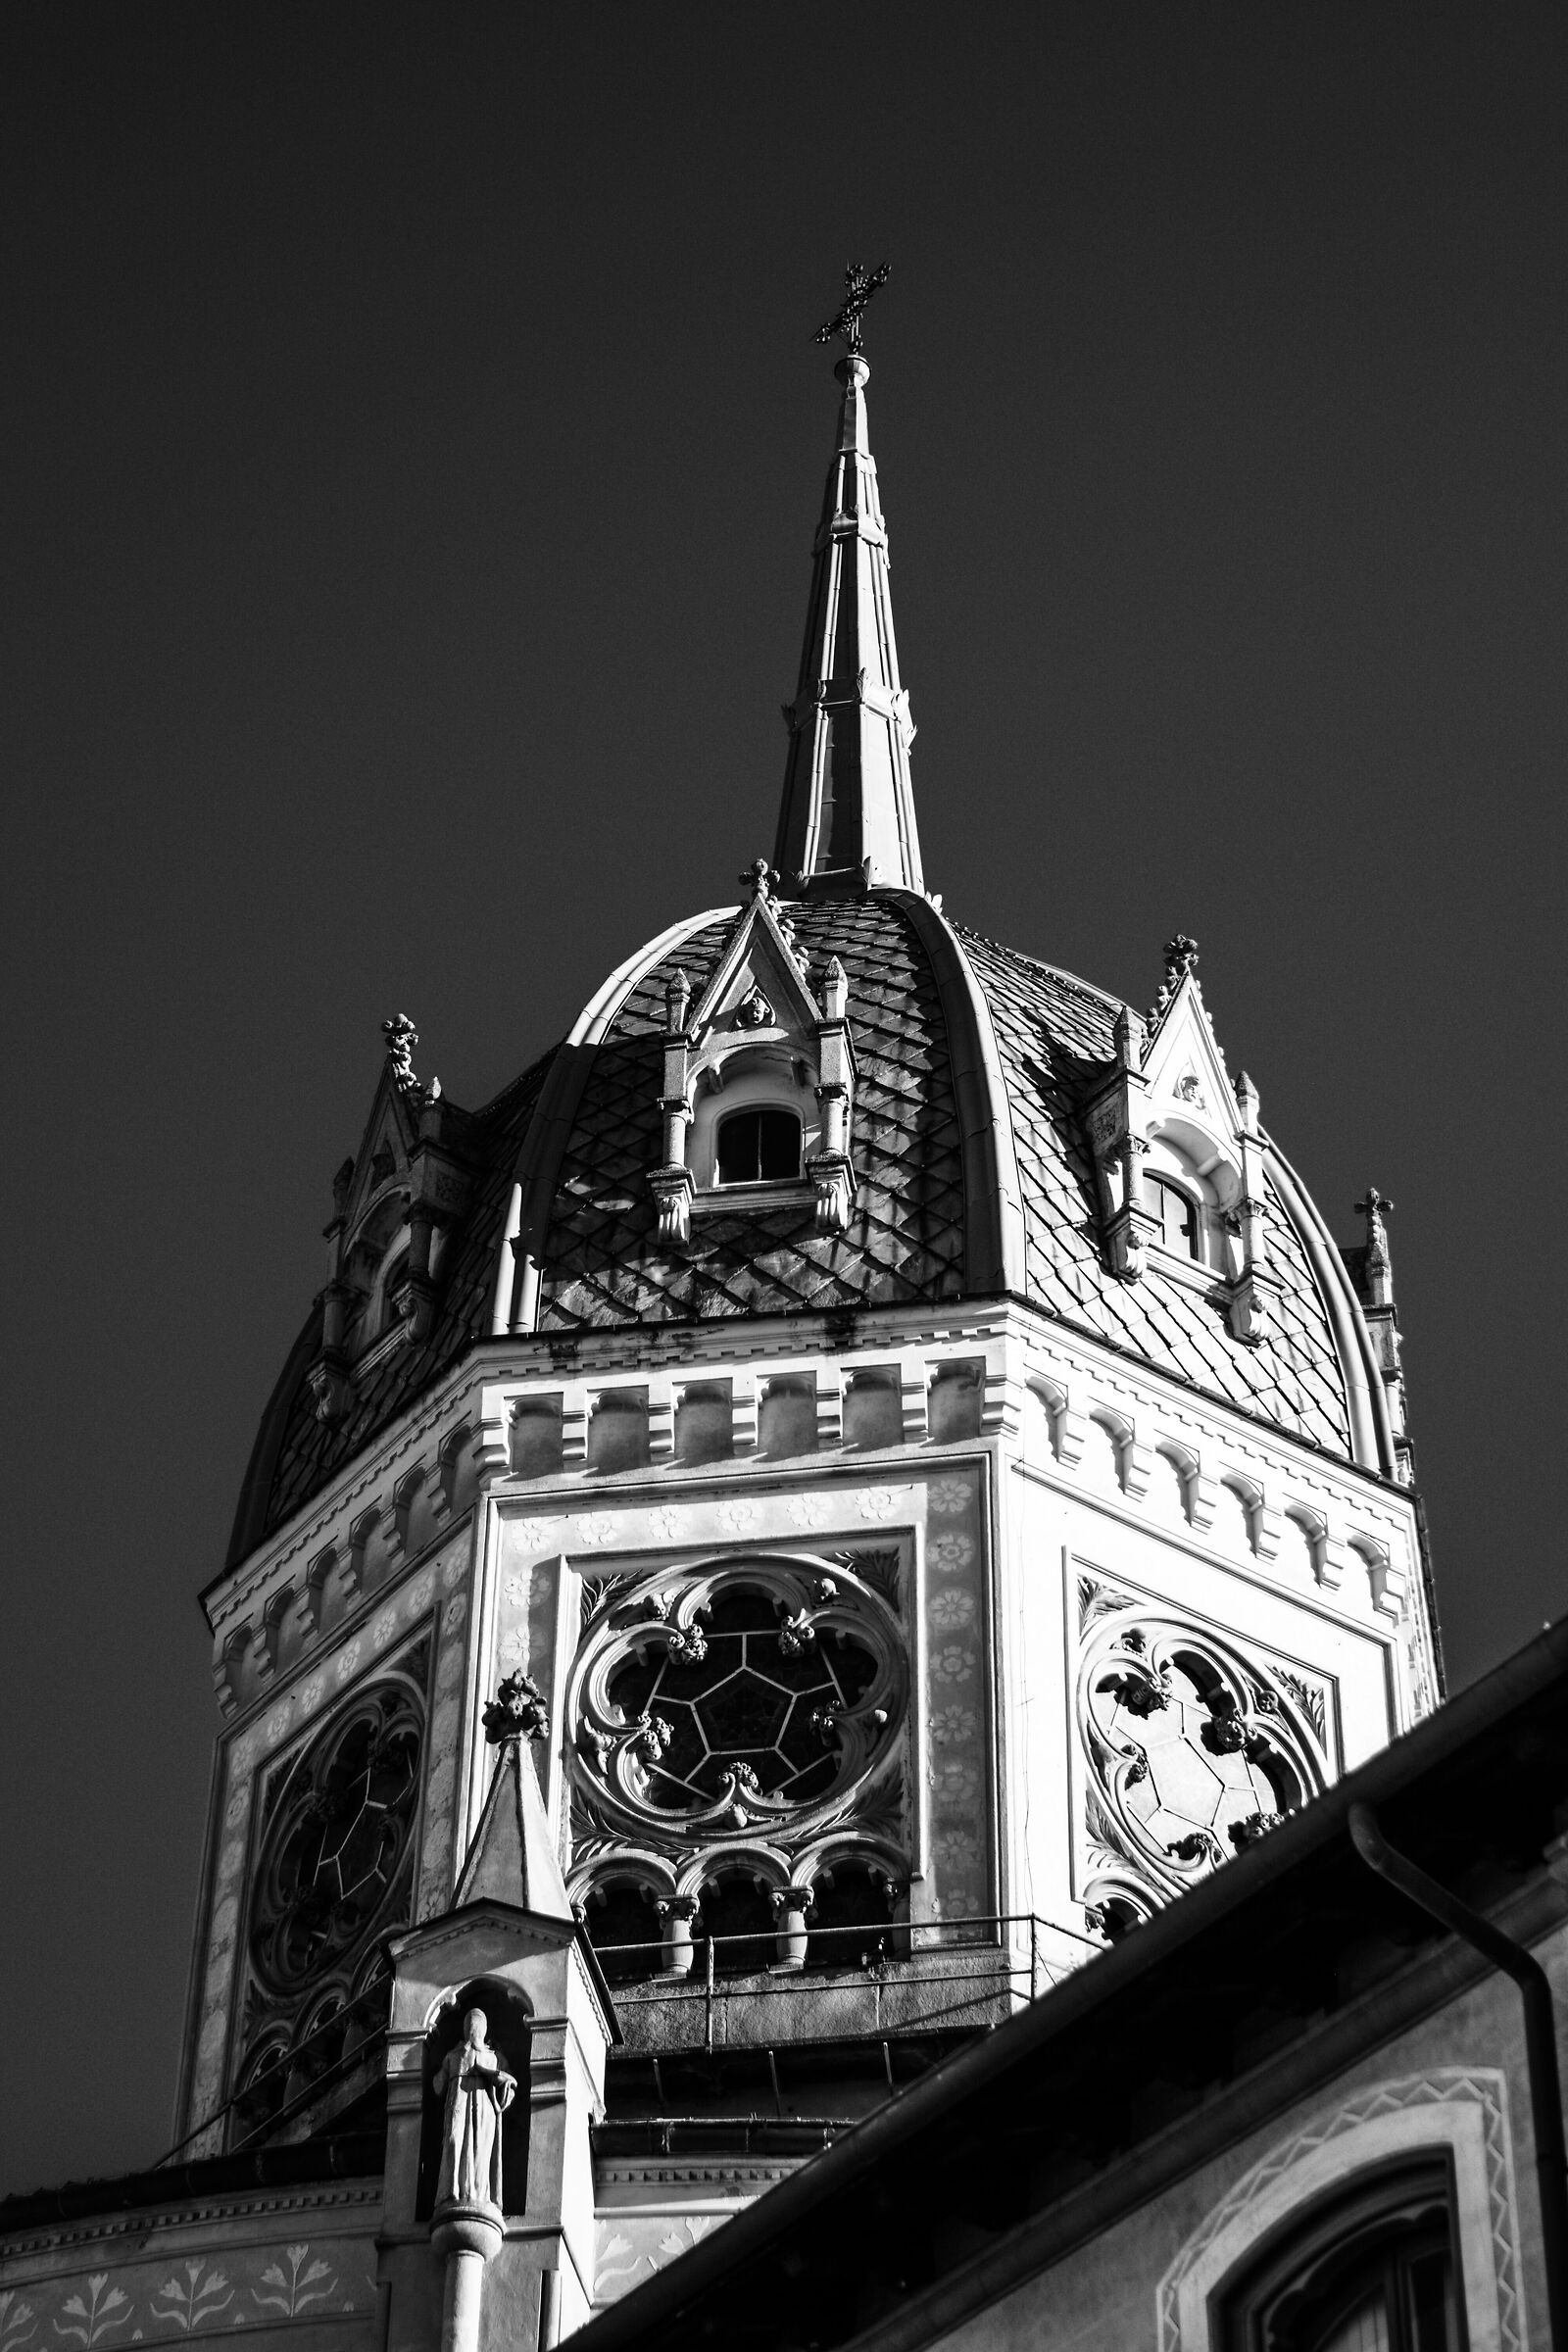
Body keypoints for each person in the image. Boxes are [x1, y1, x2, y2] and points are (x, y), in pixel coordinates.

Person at [432, 2007, 517, 2210]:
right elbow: (437, 2086)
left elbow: (511, 2084)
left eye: (477, 2024)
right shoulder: (453, 2055)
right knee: (453, 2141)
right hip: (457, 2102)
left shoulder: (494, 2057)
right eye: (470, 2023)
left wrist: (503, 2085)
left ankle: (478, 2196)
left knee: (481, 2150)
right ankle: (451, 2192)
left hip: (484, 2107)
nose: (473, 2027)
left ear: (484, 2029)